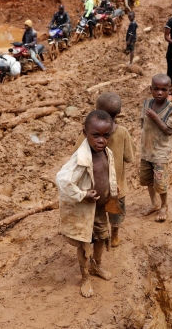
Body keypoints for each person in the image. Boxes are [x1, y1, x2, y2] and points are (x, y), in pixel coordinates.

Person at [56, 110, 117, 298]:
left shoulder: (107, 153)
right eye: (96, 135)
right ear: (85, 133)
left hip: (99, 208)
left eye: (106, 135)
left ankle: (96, 265)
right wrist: (82, 194)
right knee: (84, 244)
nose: (101, 140)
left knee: (101, 237)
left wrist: (113, 190)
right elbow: (62, 180)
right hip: (84, 210)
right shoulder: (80, 158)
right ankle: (85, 277)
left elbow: (109, 174)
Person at [73, 94, 134, 248]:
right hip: (117, 186)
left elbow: (76, 155)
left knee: (95, 213)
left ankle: (96, 235)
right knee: (116, 213)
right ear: (118, 113)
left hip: (95, 186)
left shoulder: (88, 133)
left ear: (97, 112)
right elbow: (129, 157)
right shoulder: (123, 133)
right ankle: (114, 235)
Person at [140, 74, 172, 222]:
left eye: (163, 89)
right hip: (146, 150)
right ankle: (154, 203)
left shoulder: (171, 109)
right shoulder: (146, 104)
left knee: (160, 183)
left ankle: (163, 205)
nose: (159, 92)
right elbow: (143, 123)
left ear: (170, 90)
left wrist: (155, 117)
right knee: (148, 180)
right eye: (156, 89)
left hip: (161, 153)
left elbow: (168, 130)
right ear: (151, 89)